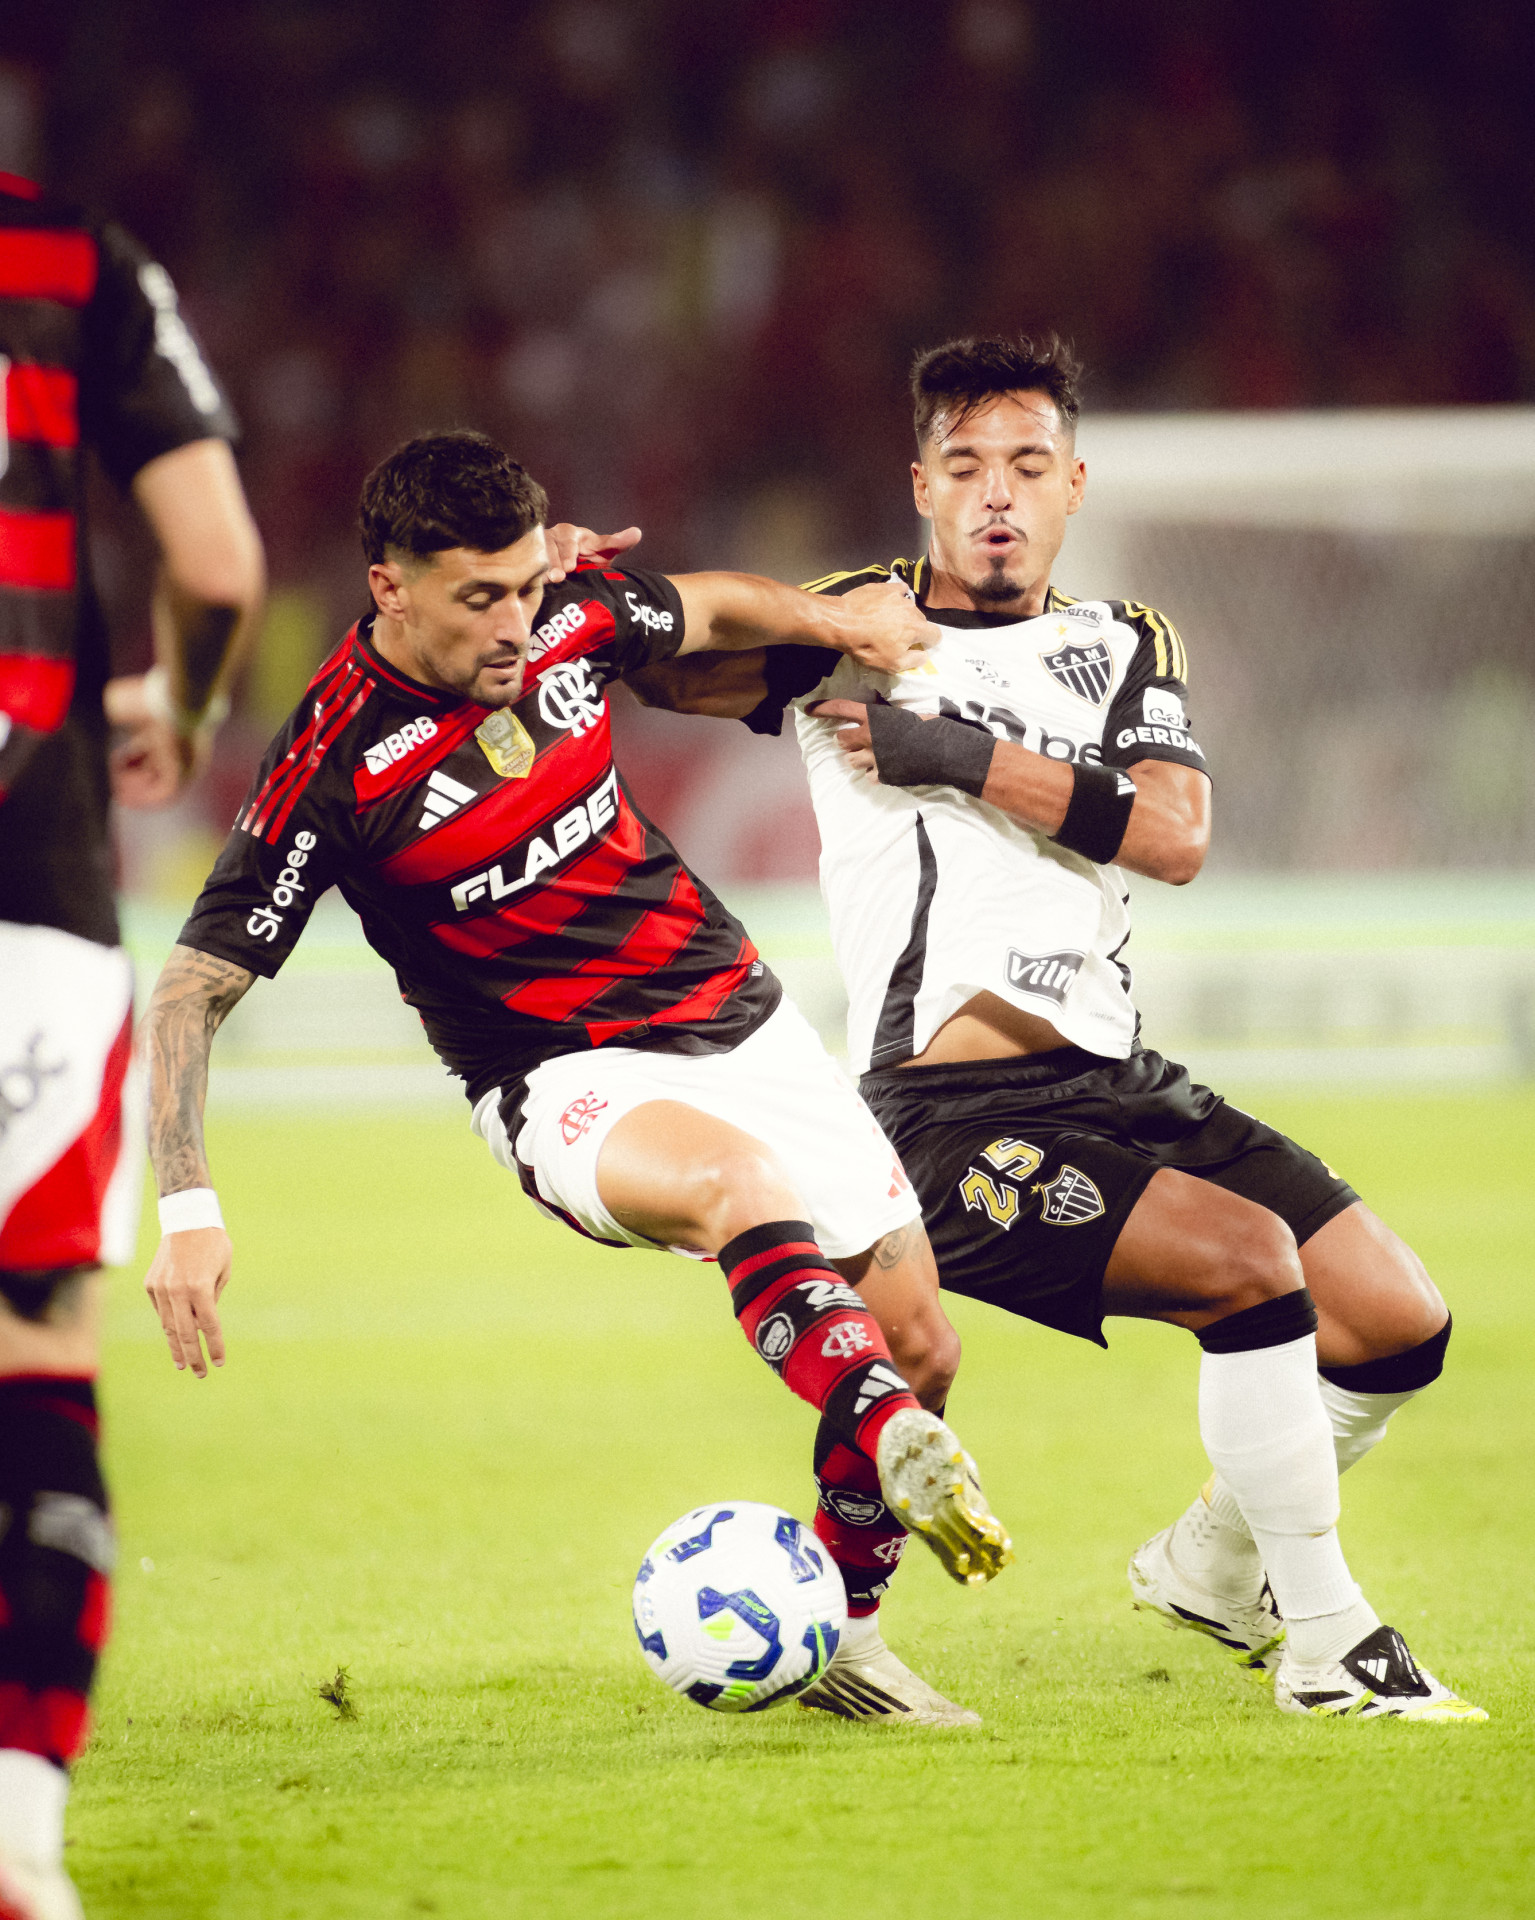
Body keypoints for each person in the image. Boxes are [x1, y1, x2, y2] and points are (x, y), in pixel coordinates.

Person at [624, 334, 1485, 1725]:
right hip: (947, 1111)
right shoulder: (855, 626)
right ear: (920, 485)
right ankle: (1328, 1641)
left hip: (1118, 1076)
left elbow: (1174, 835)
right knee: (1248, 1270)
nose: (996, 497)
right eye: (963, 468)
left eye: (1026, 465)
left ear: (1074, 484)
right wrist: (581, 596)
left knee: (1393, 1320)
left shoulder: (1124, 641)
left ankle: (1208, 1564)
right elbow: (663, 667)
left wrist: (958, 757)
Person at [142, 431, 1012, 1688]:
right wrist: (186, 1207)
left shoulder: (565, 614)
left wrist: (847, 622)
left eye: (524, 589)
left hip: (732, 1009)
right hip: (560, 1077)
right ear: (388, 589)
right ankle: (884, 1432)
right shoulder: (330, 763)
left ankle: (848, 1639)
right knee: (743, 1194)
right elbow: (187, 992)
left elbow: (708, 605)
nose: (513, 626)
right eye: (476, 597)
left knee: (920, 1342)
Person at [0, 171, 265, 1920]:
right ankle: (19, 1828)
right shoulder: (63, 251)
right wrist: (175, 688)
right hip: (28, 881)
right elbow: (220, 564)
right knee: (33, 1345)